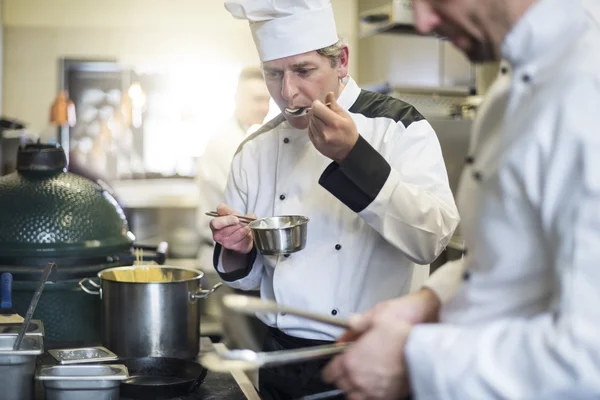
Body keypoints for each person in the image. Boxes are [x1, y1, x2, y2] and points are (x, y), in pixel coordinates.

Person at [322, 0, 600, 399]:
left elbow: (589, 358)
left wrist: (415, 361)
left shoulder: (588, 83)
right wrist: (429, 302)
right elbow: (507, 254)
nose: (423, 23)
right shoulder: (510, 84)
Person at [208, 0, 460, 398]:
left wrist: (352, 155)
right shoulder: (254, 150)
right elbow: (252, 277)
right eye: (274, 74)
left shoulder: (399, 128)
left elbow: (430, 239)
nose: (287, 91)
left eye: (303, 71)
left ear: (341, 60)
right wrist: (237, 248)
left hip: (374, 359)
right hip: (284, 361)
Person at [196, 66, 271, 268]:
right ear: (237, 98)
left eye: (267, 99)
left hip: (247, 253)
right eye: (257, 99)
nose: (263, 107)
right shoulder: (224, 142)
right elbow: (245, 206)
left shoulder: (257, 136)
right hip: (221, 256)